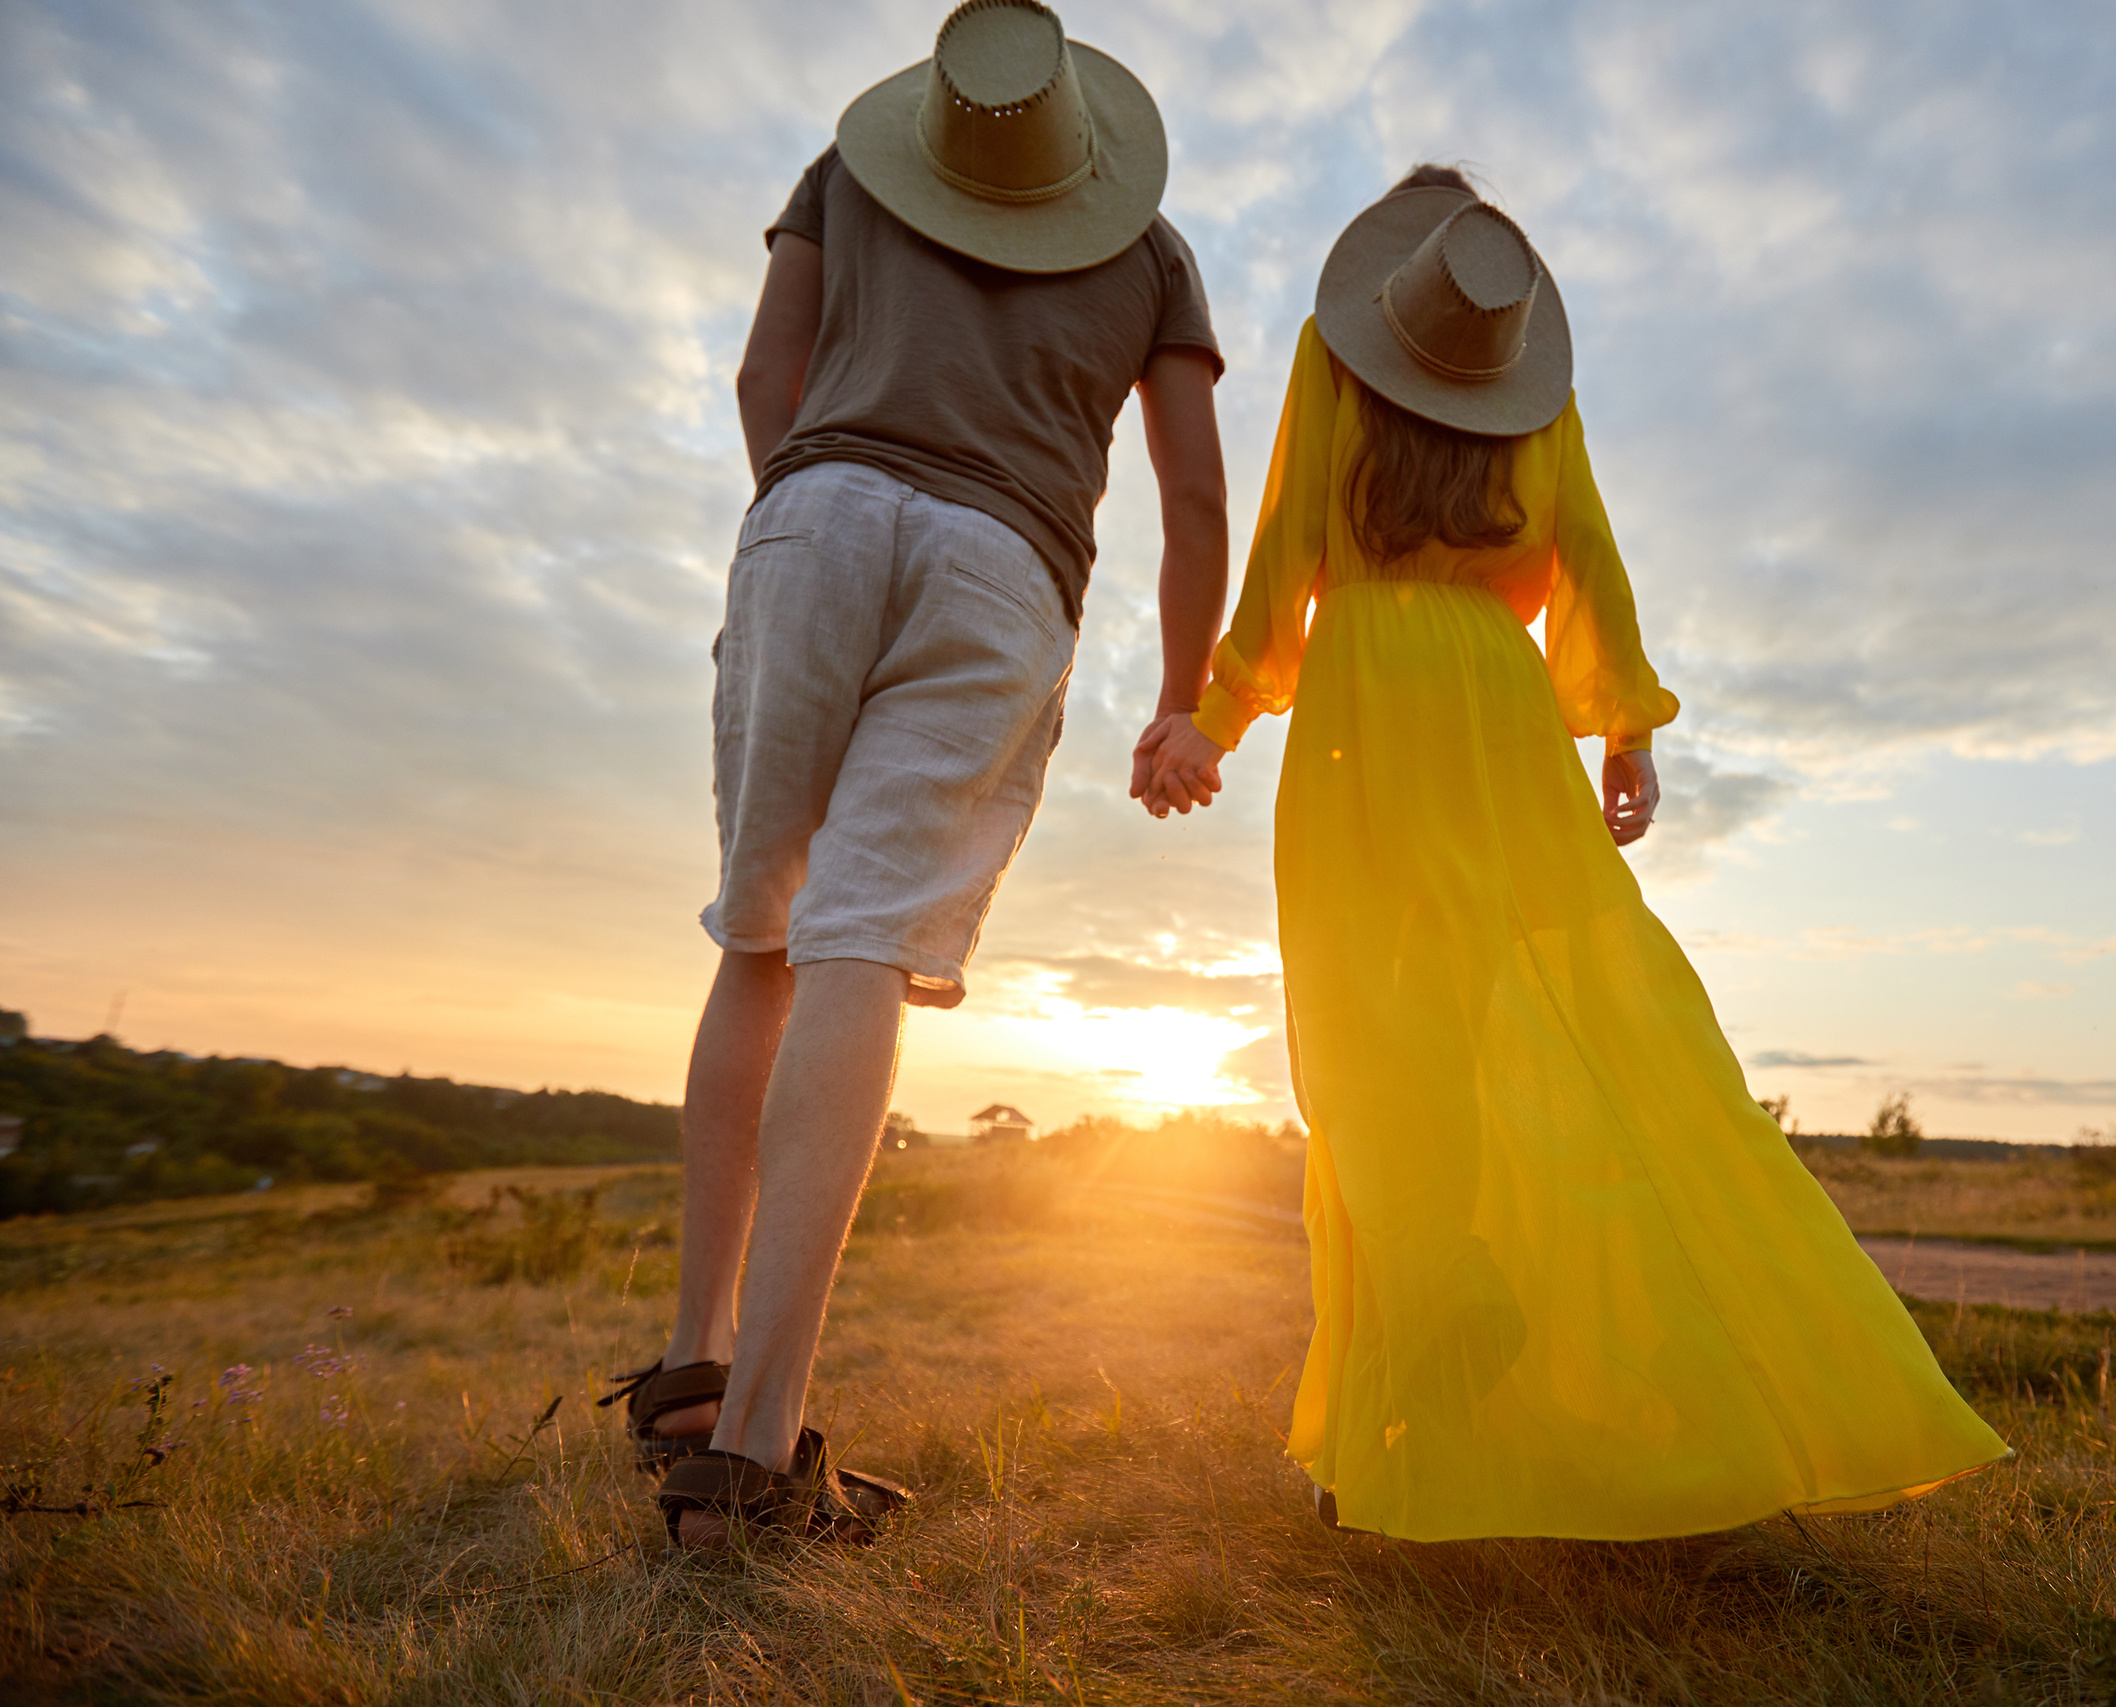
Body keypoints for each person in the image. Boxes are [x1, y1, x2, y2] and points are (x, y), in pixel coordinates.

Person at [1136, 168, 2009, 1540]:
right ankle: (1447, 1393)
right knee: (1493, 1038)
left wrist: (1215, 716)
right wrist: (1625, 731)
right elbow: (1587, 555)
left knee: (1370, 1048)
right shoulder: (1542, 406)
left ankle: (1439, 1315)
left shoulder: (1331, 363)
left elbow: (1292, 539)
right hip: (1498, 711)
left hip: (1369, 705)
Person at [609, 0, 1231, 1551]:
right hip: (1004, 562)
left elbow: (771, 376)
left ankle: (695, 1371)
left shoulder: (847, 172)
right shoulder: (1152, 253)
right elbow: (1196, 486)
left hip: (814, 511)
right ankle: (748, 1459)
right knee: (862, 947)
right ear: (1085, 134)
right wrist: (1182, 694)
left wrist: (817, 516)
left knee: (762, 930)